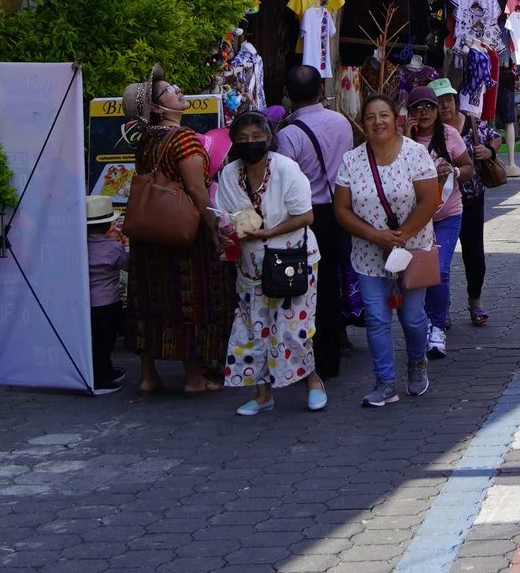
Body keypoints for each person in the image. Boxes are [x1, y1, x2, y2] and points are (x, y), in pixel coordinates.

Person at [124, 69, 231, 395]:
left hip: (148, 232)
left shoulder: (146, 140)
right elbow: (197, 192)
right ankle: (195, 378)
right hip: (182, 233)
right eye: (170, 89)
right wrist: (214, 226)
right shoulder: (182, 138)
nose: (178, 89)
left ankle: (148, 375)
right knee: (190, 298)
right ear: (157, 108)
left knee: (150, 298)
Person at [334, 91, 443, 407]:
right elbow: (342, 210)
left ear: (395, 119)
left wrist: (401, 236)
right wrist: (375, 236)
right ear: (363, 124)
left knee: (411, 317)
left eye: (383, 115)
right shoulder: (351, 160)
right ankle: (384, 383)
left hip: (411, 251)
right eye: (370, 117)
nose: (377, 121)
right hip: (369, 255)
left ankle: (417, 362)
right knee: (378, 320)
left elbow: (429, 200)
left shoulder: (415, 154)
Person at [212, 108, 320, 416]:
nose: (251, 143)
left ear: (269, 138)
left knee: (293, 330)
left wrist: (267, 232)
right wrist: (222, 235)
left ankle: (314, 382)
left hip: (292, 259)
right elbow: (224, 217)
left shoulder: (286, 168)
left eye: (257, 137)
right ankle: (263, 395)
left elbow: (306, 216)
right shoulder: (230, 174)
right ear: (233, 141)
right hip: (251, 265)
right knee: (252, 330)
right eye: (243, 138)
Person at [272, 64, 356, 388]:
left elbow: (286, 181)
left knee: (308, 289)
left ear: (288, 96)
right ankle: (333, 353)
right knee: (333, 281)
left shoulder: (288, 134)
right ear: (321, 91)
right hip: (339, 209)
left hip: (308, 215)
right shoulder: (341, 122)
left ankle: (312, 358)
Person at [425, 80, 502, 330]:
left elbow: (495, 137)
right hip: (436, 205)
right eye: (439, 101)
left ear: (455, 100)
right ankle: (441, 308)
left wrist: (489, 151)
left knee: (474, 255)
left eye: (448, 99)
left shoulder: (470, 121)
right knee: (438, 260)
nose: (445, 105)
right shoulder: (428, 130)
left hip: (470, 199)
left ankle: (475, 300)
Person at [85, 196, 128, 394]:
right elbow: (128, 266)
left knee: (91, 340)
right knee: (105, 341)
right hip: (108, 303)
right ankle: (101, 378)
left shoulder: (78, 247)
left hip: (84, 303)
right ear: (108, 224)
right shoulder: (113, 248)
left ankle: (101, 370)